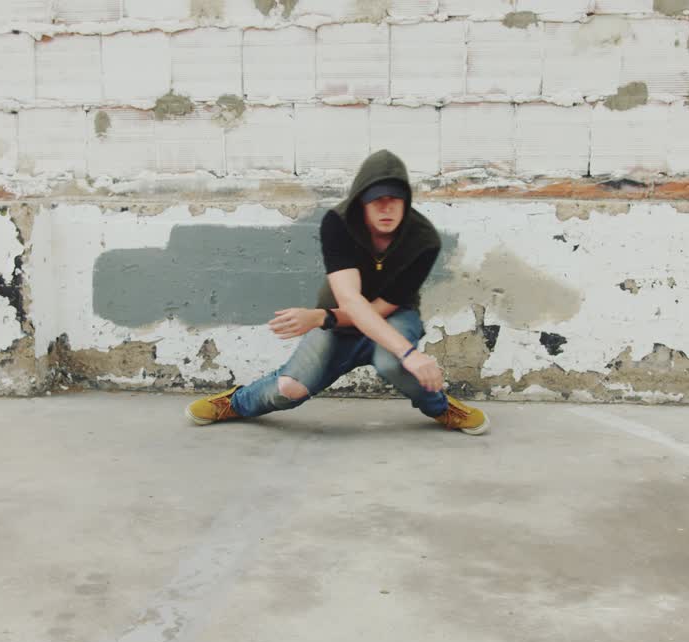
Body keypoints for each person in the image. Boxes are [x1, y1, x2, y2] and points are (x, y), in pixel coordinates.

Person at [185, 149, 490, 435]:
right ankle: (235, 403)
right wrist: (324, 317)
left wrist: (407, 353)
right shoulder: (339, 223)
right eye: (376, 200)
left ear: (406, 201)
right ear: (361, 201)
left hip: (393, 316)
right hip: (337, 318)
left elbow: (380, 310)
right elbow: (350, 300)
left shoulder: (424, 240)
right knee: (290, 388)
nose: (386, 207)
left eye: (394, 199)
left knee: (391, 361)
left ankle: (441, 407)